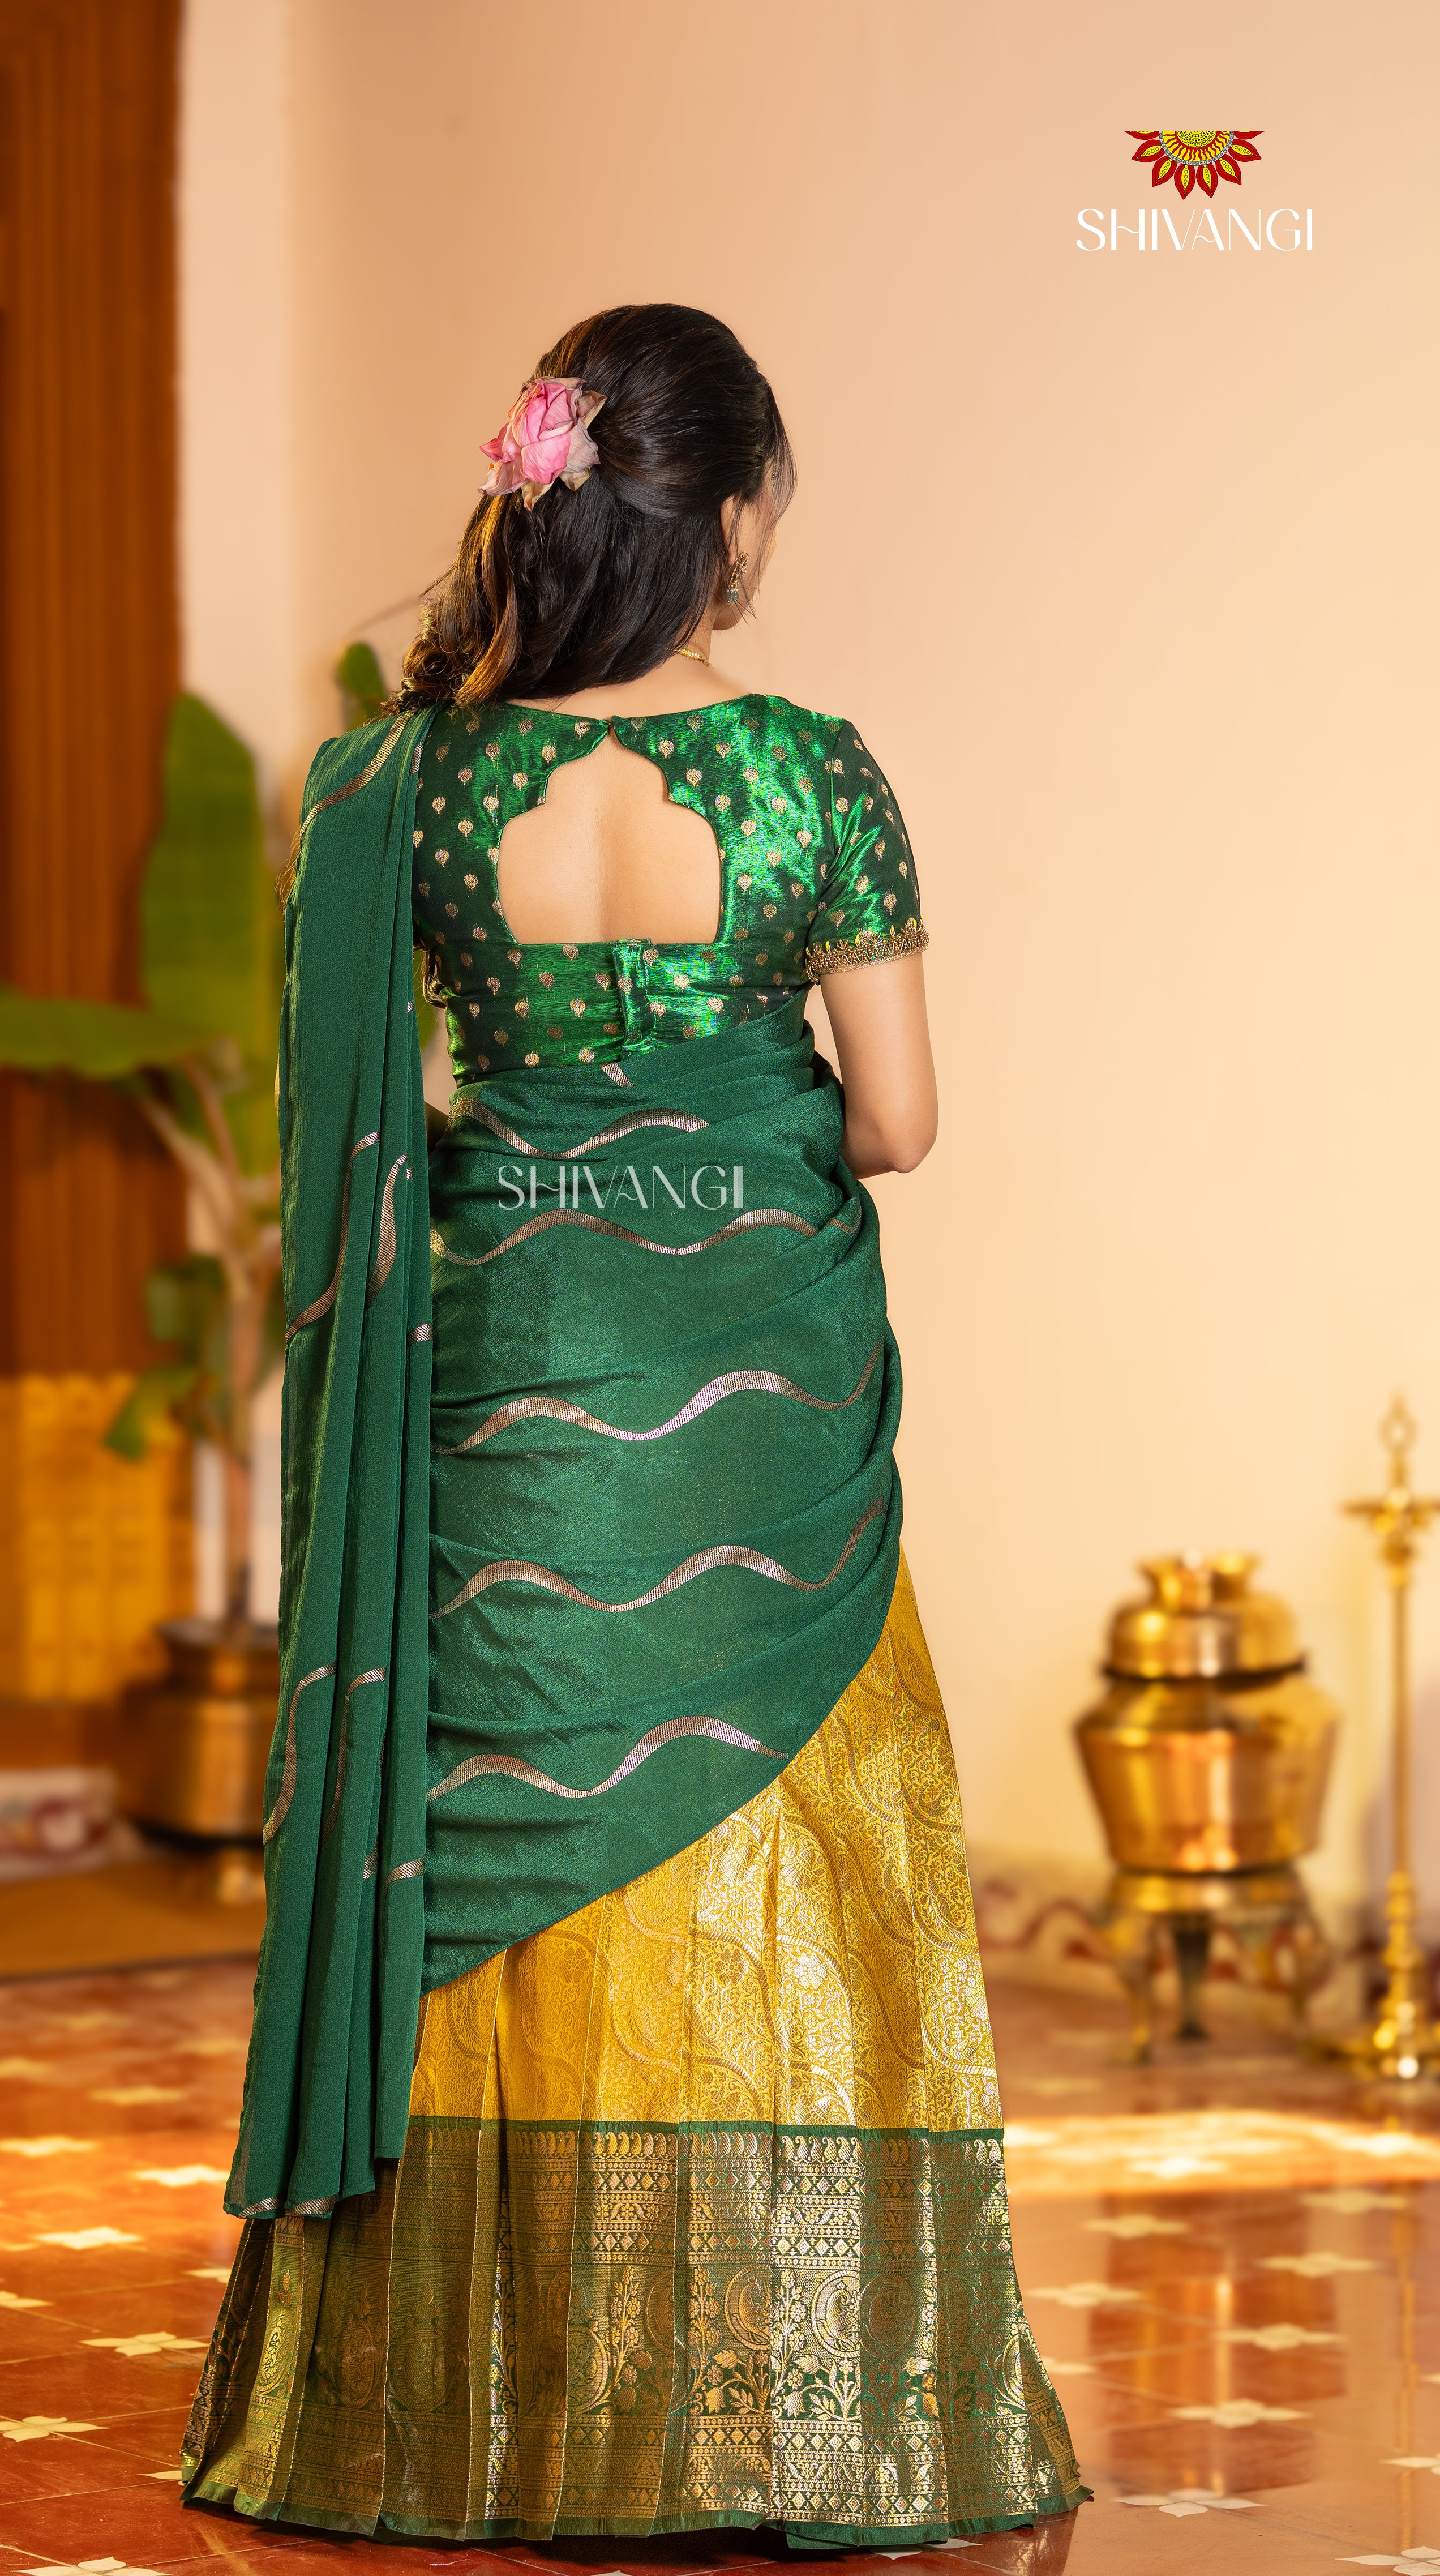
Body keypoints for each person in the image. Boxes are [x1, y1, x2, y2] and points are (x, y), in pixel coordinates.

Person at [182, 302, 1085, 2552]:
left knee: (494, 1845)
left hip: (506, 1367)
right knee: (790, 1849)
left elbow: (376, 1116)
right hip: (759, 1395)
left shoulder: (396, 787)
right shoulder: (806, 775)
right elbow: (897, 1119)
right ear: (735, 520)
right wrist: (732, 1111)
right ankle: (779, 2413)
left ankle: (483, 2415)